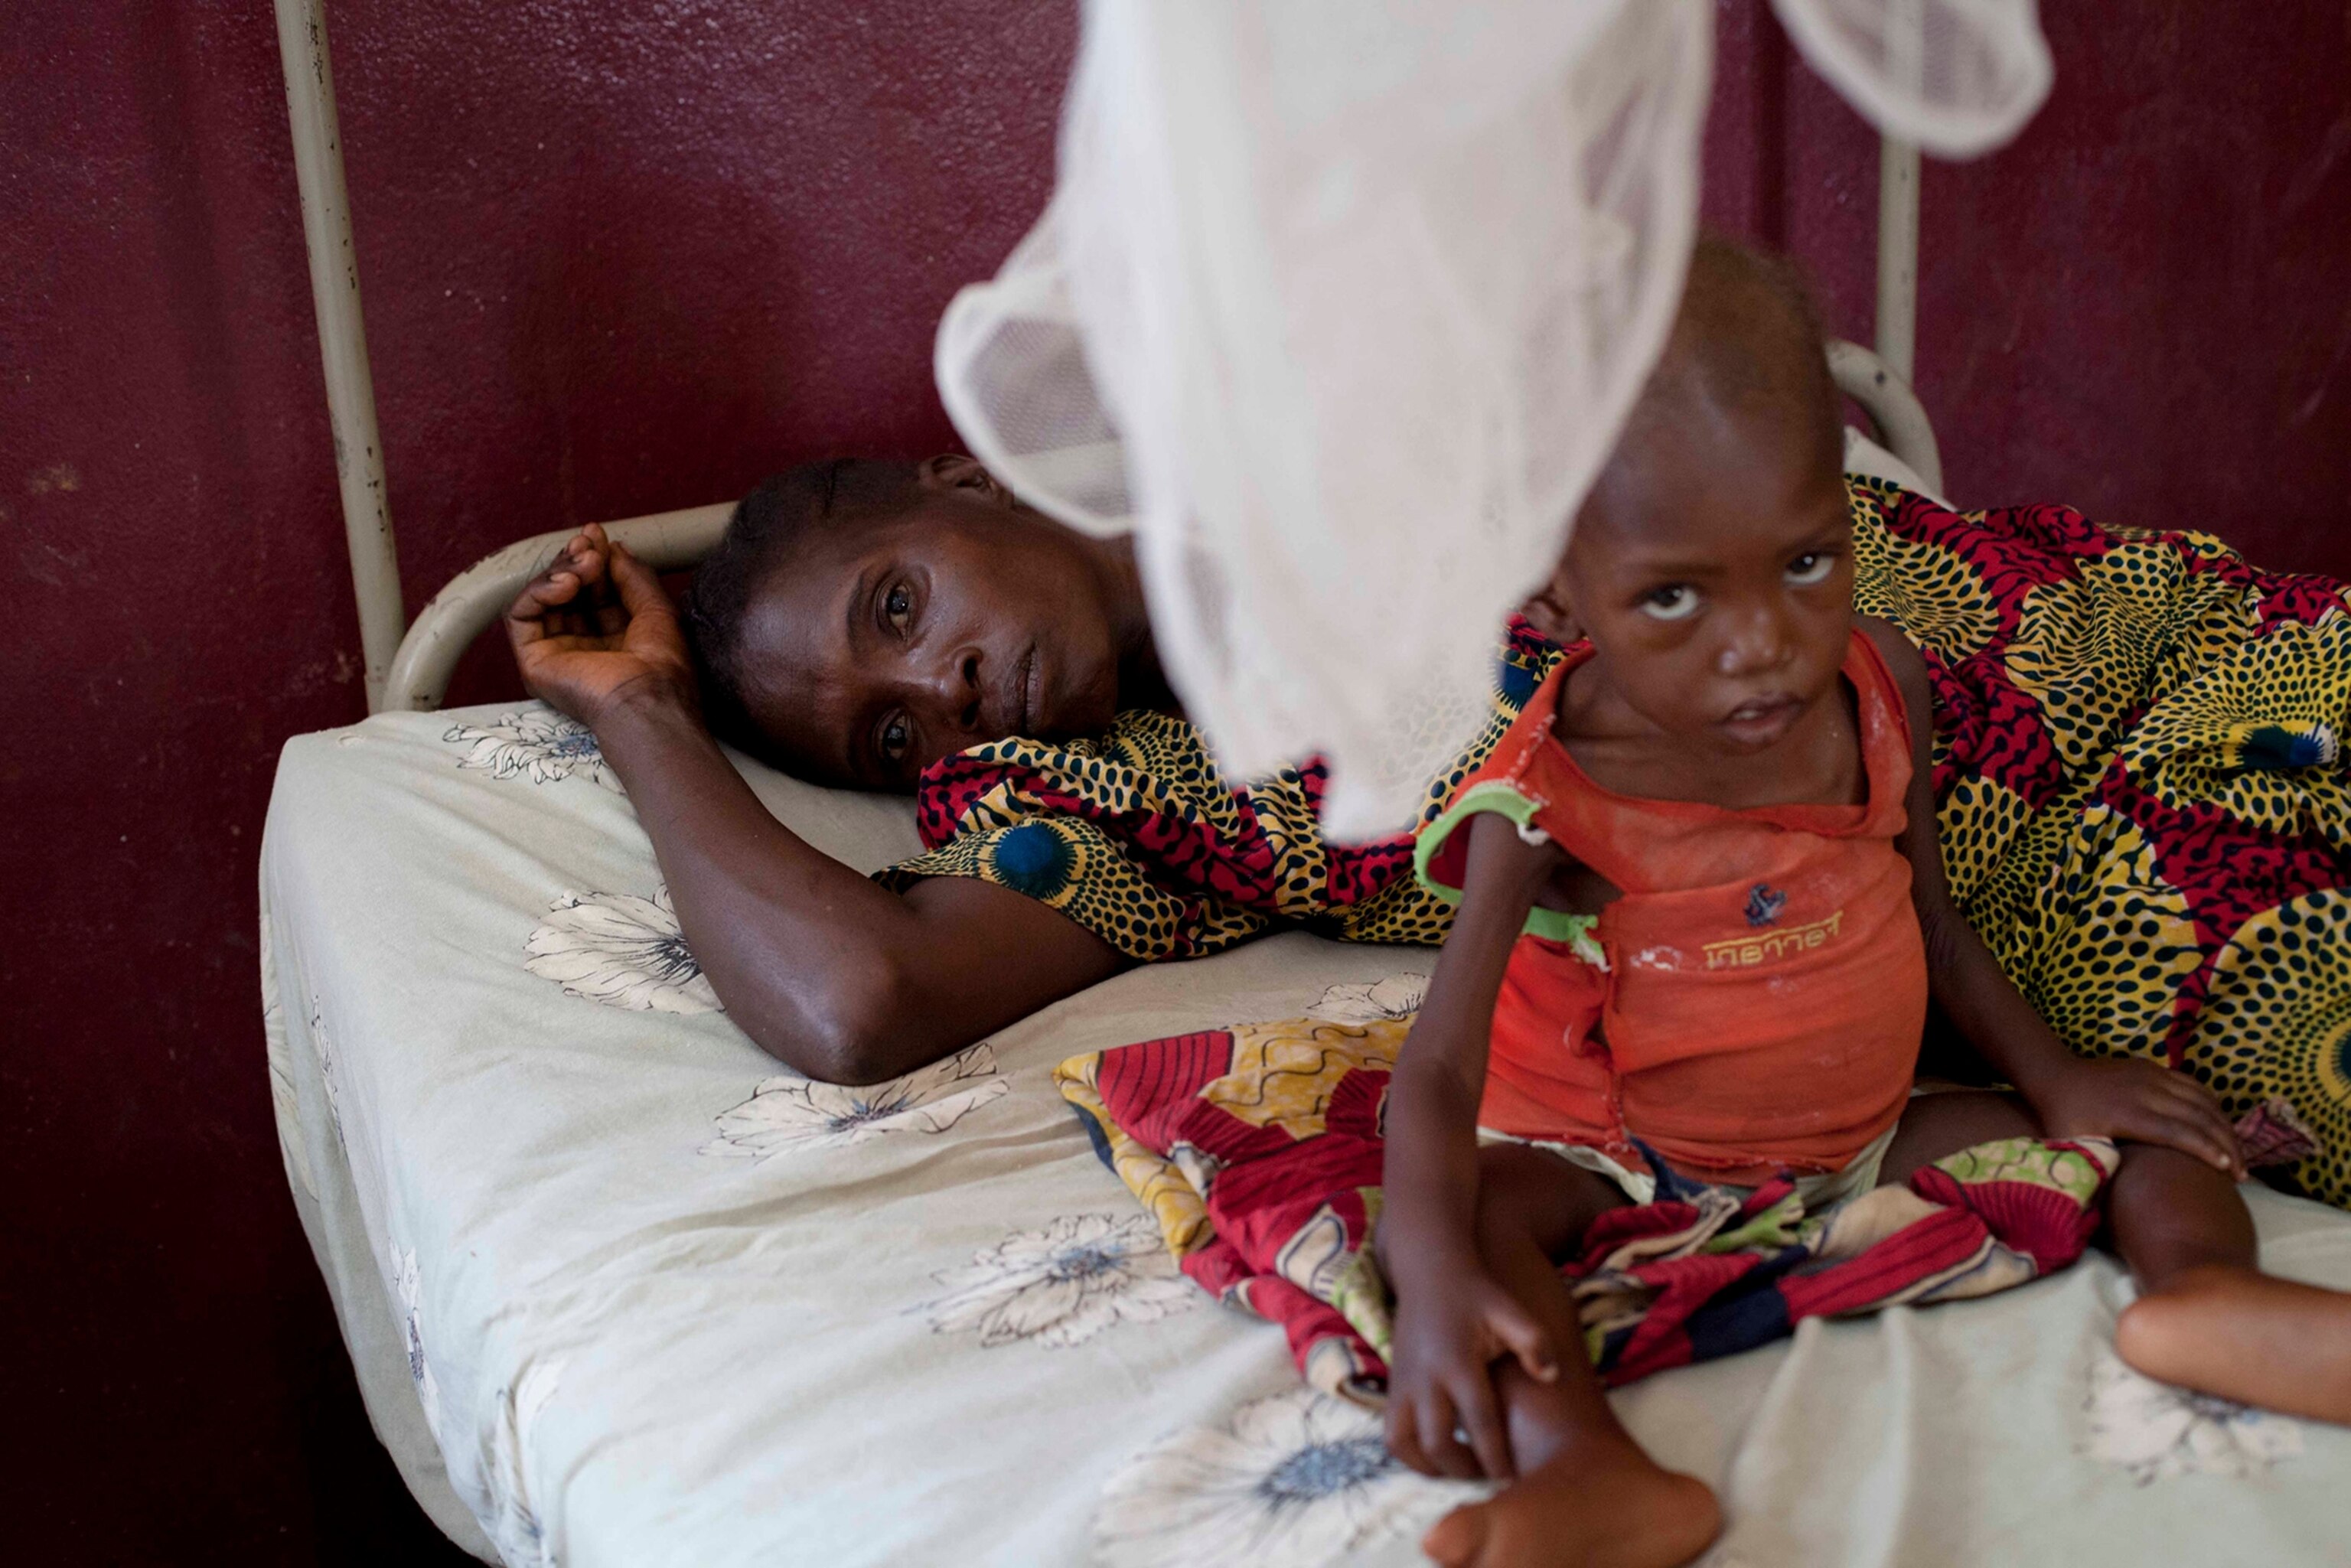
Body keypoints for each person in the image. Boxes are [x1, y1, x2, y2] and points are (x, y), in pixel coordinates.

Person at [499, 266, 2351, 1220]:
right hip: (2096, 890)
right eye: (891, 728)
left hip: (2171, 638)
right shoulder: (1114, 793)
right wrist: (643, 711)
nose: (948, 694)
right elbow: (849, 1000)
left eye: (896, 609)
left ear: (956, 474)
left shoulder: (1345, 413)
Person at [1374, 240, 2351, 1568]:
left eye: (1804, 561)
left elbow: (1935, 928)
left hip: (1859, 1136)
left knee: (2151, 1124)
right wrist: (1430, 1282)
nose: (1764, 642)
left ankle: (2211, 1296)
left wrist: (2058, 1083)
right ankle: (1589, 1471)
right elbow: (1437, 1063)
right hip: (1621, 1162)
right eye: (1672, 595)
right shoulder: (1546, 796)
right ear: (1557, 593)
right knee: (1480, 1215)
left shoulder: (1880, 686)